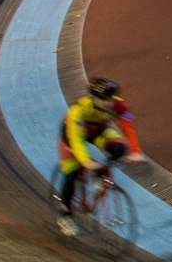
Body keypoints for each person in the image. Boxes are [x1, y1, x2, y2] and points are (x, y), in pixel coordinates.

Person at [54, 77, 141, 235]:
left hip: (98, 131)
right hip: (71, 135)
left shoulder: (118, 104)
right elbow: (77, 141)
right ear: (94, 98)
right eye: (104, 99)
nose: (109, 103)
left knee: (120, 148)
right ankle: (65, 214)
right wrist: (85, 161)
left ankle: (100, 177)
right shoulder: (79, 111)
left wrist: (135, 151)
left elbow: (128, 126)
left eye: (110, 98)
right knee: (72, 171)